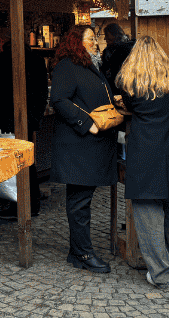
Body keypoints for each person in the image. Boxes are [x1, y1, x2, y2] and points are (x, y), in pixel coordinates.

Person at [116, 37, 169, 289]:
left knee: (147, 212)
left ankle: (159, 272)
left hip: (145, 151)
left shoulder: (130, 83)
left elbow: (128, 106)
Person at [49, 25, 118, 273]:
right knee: (79, 202)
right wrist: (86, 123)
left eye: (95, 38)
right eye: (90, 39)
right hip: (77, 146)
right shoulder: (67, 65)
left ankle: (76, 251)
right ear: (76, 41)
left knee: (81, 200)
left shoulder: (88, 65)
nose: (95, 43)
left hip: (87, 147)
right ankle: (83, 253)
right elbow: (58, 99)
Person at [0, 39, 48, 220]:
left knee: (14, 162)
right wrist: (36, 116)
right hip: (28, 118)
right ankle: (32, 202)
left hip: (8, 118)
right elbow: (42, 92)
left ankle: (18, 204)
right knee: (27, 161)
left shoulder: (2, 60)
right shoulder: (37, 60)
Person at [100, 22, 134, 94]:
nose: (105, 38)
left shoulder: (126, 49)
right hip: (114, 87)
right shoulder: (108, 51)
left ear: (115, 34)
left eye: (107, 35)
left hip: (124, 86)